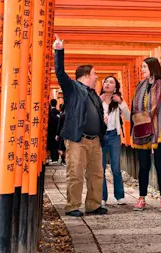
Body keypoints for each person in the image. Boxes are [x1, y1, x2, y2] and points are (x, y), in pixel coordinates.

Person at [53, 34, 108, 217]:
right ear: (85, 75)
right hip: (78, 138)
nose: (97, 77)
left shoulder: (93, 93)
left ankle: (93, 205)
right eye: (94, 74)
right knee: (75, 173)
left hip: (94, 140)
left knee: (96, 174)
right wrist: (59, 51)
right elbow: (60, 74)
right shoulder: (73, 88)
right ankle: (72, 206)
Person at [130, 57, 161, 211]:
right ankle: (141, 197)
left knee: (160, 164)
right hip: (142, 131)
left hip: (160, 131)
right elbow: (134, 111)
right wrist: (133, 131)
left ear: (153, 68)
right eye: (142, 67)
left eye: (144, 67)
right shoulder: (139, 87)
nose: (142, 69)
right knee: (143, 166)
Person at [99, 76, 131, 207]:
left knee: (116, 167)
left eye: (111, 82)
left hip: (113, 136)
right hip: (100, 136)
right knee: (100, 168)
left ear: (115, 87)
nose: (107, 84)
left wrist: (121, 102)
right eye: (106, 81)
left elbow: (129, 117)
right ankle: (102, 197)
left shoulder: (118, 101)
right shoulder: (98, 99)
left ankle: (120, 195)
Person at [47, 99, 60, 164]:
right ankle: (55, 158)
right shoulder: (58, 113)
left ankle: (49, 158)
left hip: (49, 132)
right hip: (56, 131)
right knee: (55, 145)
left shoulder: (49, 113)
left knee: (49, 145)